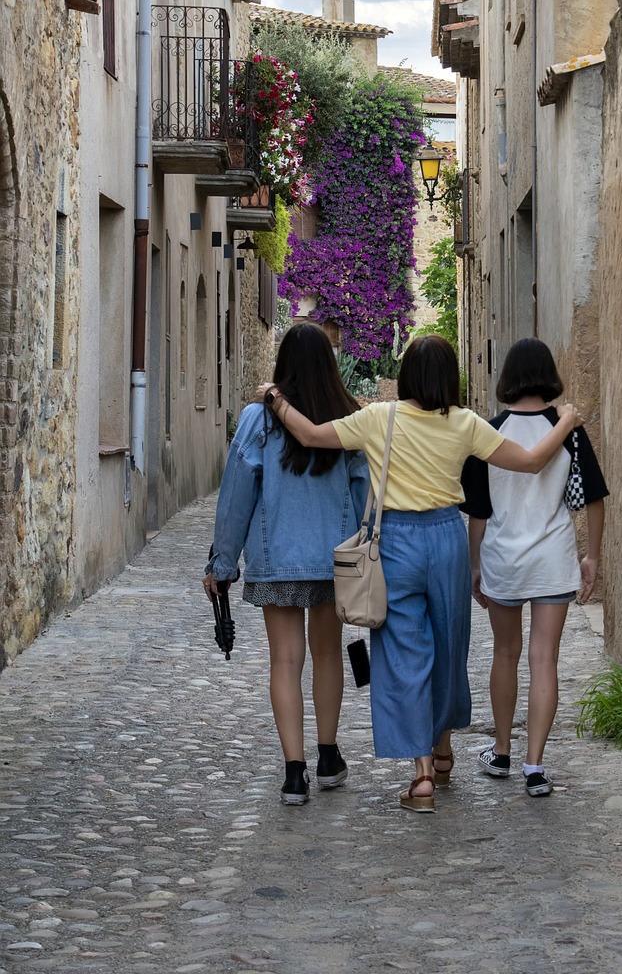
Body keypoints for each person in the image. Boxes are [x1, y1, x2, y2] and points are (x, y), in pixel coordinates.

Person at [258, 334, 583, 814]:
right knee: (448, 644)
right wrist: (568, 422)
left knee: (404, 654)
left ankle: (423, 773)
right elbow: (533, 462)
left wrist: (274, 399)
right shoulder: (464, 424)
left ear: (406, 374)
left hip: (396, 543)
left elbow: (309, 434)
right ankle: (445, 744)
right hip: (446, 538)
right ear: (451, 378)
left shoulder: (378, 418)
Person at [204, 323, 369, 807]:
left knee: (285, 660)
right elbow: (363, 495)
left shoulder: (259, 420)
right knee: (327, 655)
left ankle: (294, 774)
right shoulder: (348, 419)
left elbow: (236, 496)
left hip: (277, 560)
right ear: (329, 366)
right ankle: (329, 756)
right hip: (333, 561)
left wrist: (223, 562)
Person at [461, 337, 608, 797]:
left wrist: (474, 565)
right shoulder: (568, 430)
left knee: (505, 653)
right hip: (552, 558)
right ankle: (535, 766)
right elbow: (593, 500)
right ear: (548, 376)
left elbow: (478, 512)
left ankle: (501, 752)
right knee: (545, 658)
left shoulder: (489, 431)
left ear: (508, 377)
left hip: (504, 557)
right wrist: (593, 556)